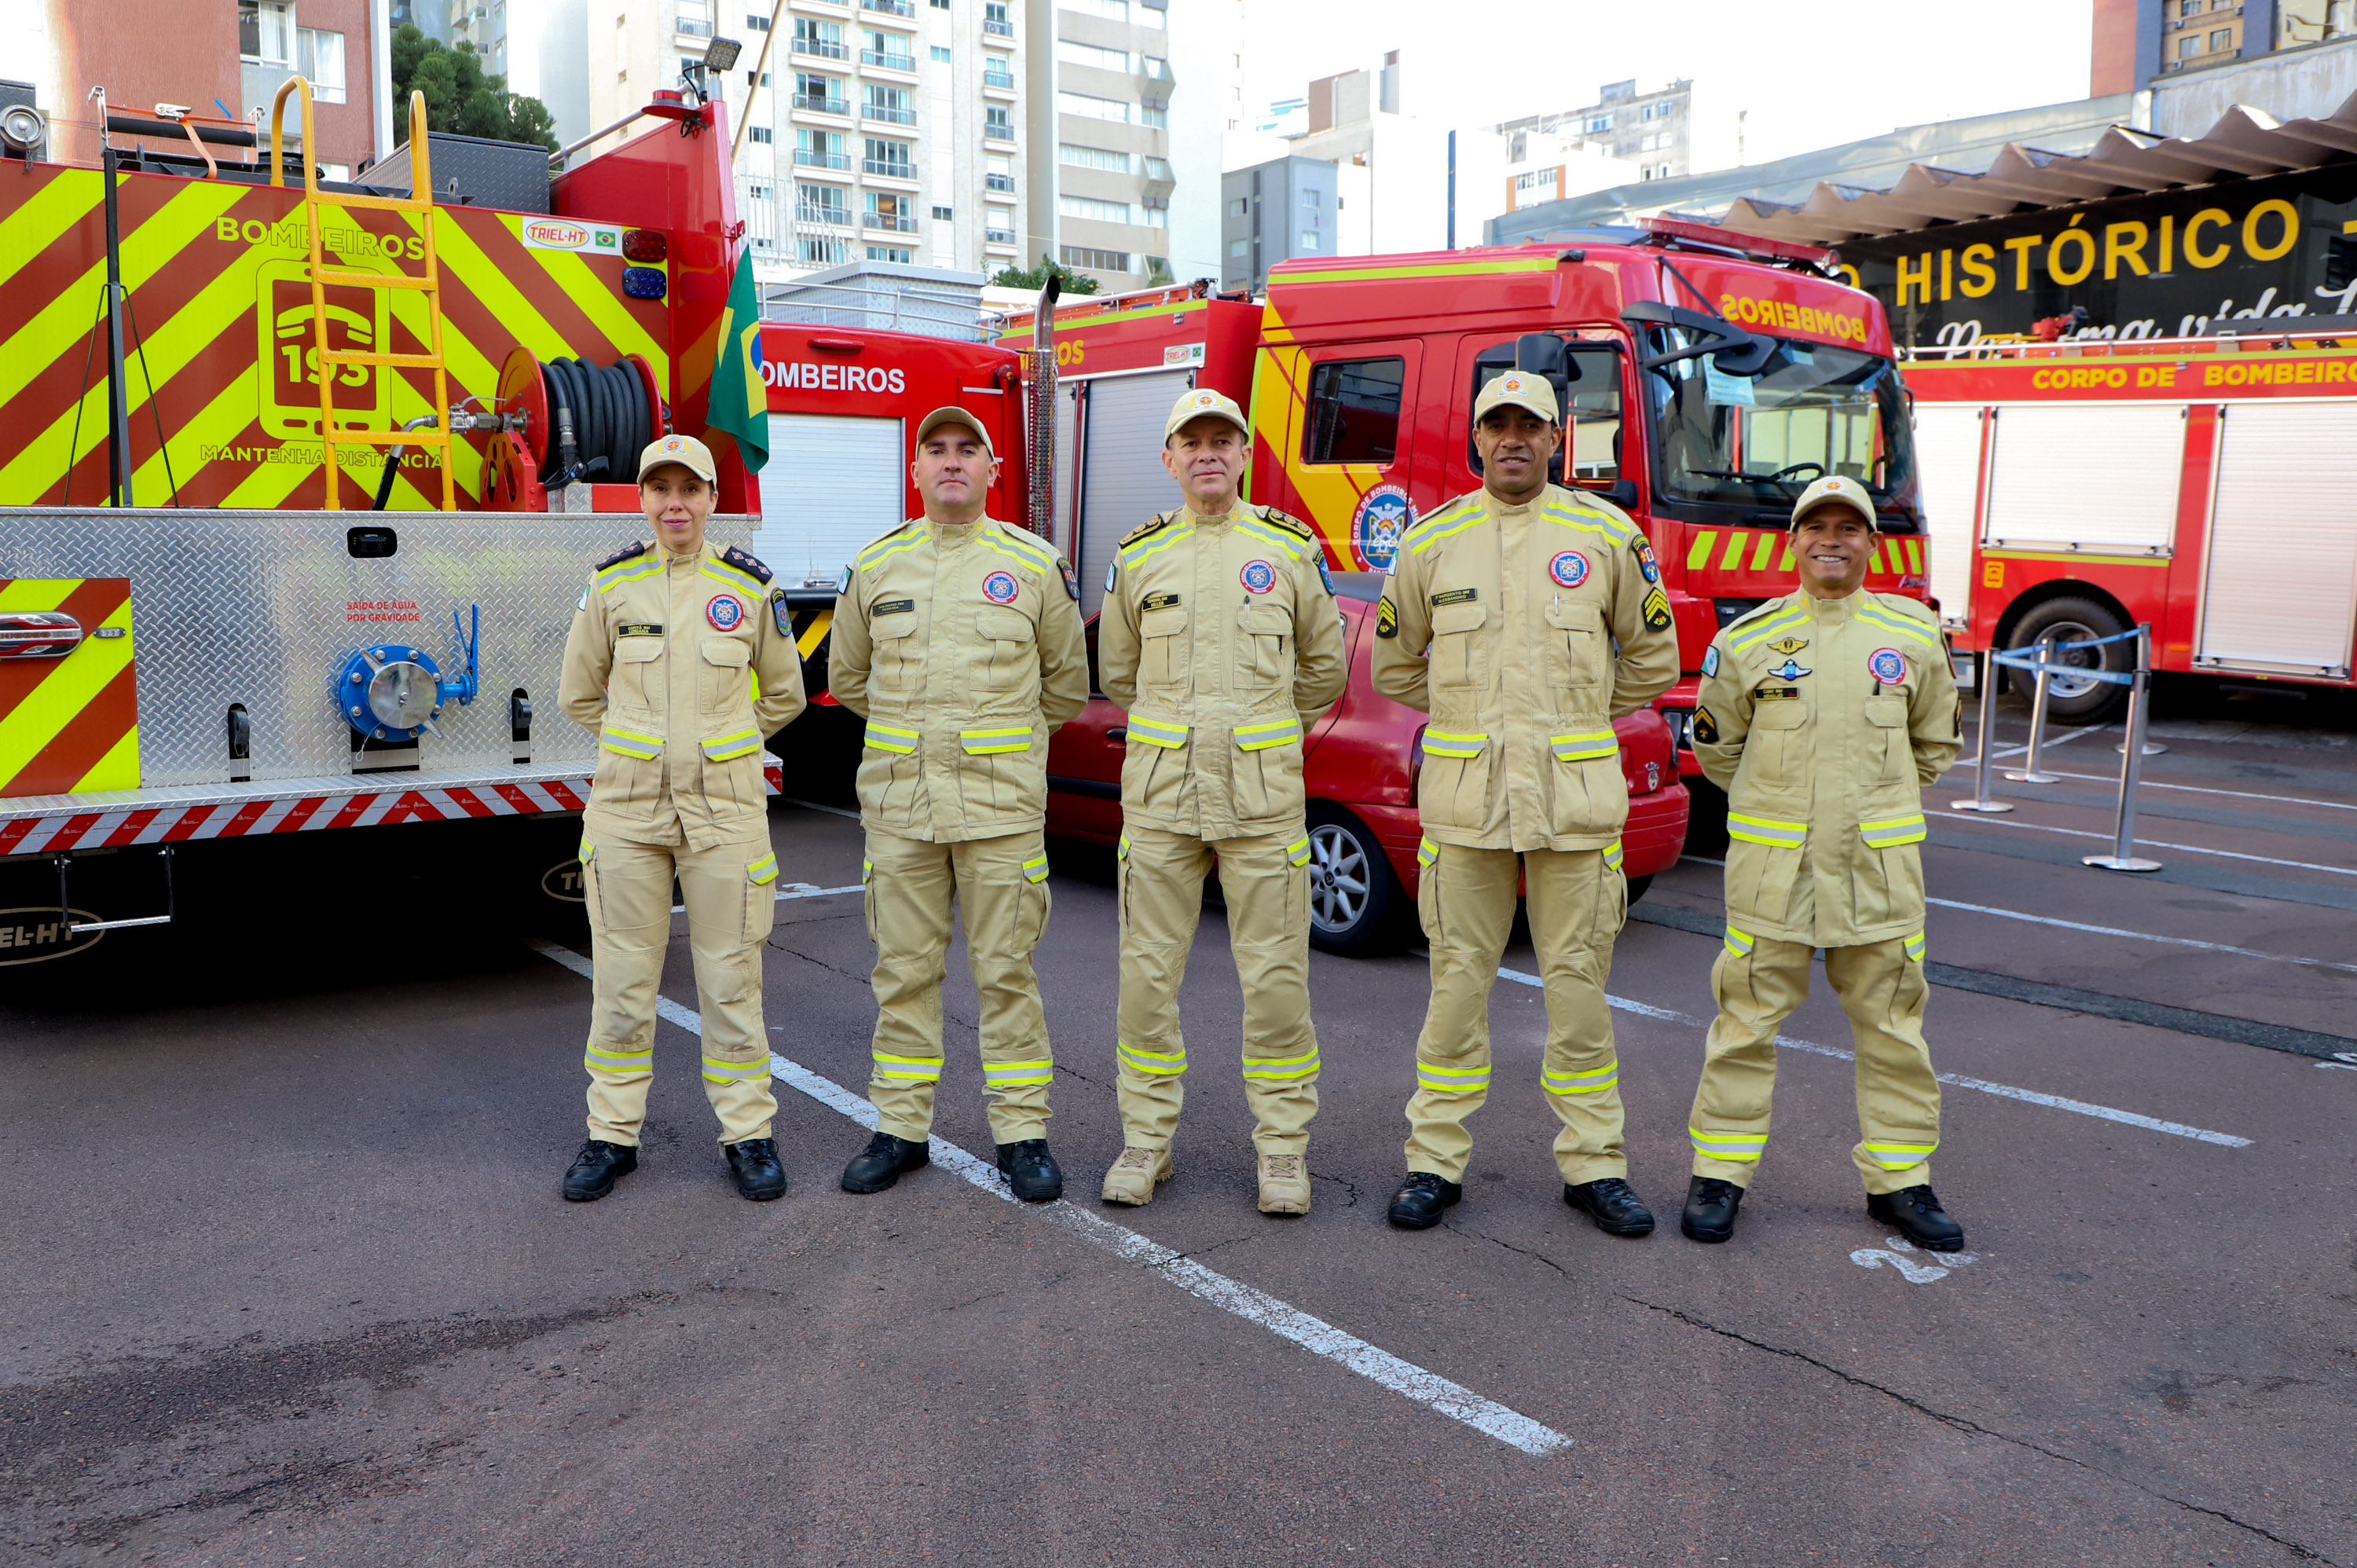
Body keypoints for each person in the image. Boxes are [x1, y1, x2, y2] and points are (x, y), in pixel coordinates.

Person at [1371, 371, 1681, 1234]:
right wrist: (1480, 721)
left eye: (1530, 426)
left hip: (1573, 802)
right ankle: (1434, 1163)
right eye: (1496, 424)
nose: (1512, 438)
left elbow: (1655, 658)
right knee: (1456, 989)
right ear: (1476, 440)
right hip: (1468, 802)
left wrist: (1571, 719)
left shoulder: (1608, 536)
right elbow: (1397, 665)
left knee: (1577, 992)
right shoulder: (1433, 542)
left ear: (1558, 437)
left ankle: (1596, 1166)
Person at [1678, 474, 1965, 1250]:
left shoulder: (1911, 636)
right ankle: (1719, 1177)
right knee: (1744, 1025)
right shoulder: (1746, 641)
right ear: (1795, 540)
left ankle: (1901, 1184)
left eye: (1849, 527)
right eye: (1817, 526)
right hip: (1776, 873)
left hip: (1876, 875)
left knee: (1894, 1030)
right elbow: (1716, 749)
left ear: (1872, 542)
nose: (1832, 539)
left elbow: (1934, 748)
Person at [1094, 387, 1349, 1214]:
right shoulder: (1139, 557)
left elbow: (1323, 669)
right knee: (1146, 979)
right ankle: (1146, 1142)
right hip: (1164, 798)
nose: (1207, 452)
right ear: (1168, 459)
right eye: (1190, 441)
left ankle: (1282, 1152)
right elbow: (1119, 676)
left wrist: (1262, 732)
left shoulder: (1287, 550)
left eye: (1222, 440)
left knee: (1277, 982)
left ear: (1244, 454)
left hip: (1261, 799)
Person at [827, 407, 1089, 1202]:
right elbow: (848, 680)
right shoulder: (877, 566)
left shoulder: (1035, 567)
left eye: (966, 450)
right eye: (934, 450)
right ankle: (900, 1129)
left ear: (992, 469)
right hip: (904, 807)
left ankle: (1022, 1135)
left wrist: (991, 741)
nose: (950, 462)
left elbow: (1065, 688)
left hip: (999, 810)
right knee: (902, 973)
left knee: (1007, 975)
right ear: (914, 471)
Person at [557, 434, 808, 1203]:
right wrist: (645, 753)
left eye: (690, 489)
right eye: (660, 489)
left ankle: (749, 1136)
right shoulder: (611, 585)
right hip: (627, 811)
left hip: (726, 810)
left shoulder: (748, 586)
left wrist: (719, 751)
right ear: (642, 498)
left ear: (710, 499)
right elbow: (579, 693)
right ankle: (611, 1136)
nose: (675, 503)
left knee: (733, 981)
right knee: (623, 984)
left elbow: (784, 694)